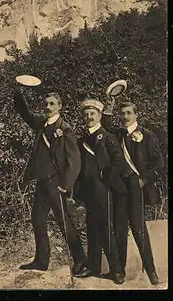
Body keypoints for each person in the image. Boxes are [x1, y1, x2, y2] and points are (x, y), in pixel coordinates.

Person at [13, 86, 87, 275]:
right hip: (41, 182)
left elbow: (75, 161)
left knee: (64, 222)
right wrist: (18, 94)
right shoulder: (41, 123)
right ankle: (41, 261)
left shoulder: (65, 129)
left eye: (52, 104)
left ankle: (80, 260)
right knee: (37, 219)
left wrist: (66, 185)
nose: (48, 107)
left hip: (56, 182)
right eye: (46, 104)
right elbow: (25, 113)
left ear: (59, 106)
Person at [102, 97, 164, 285]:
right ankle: (119, 272)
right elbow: (104, 128)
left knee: (139, 229)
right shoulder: (117, 134)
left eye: (129, 113)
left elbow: (158, 163)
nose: (125, 116)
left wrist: (143, 180)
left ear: (137, 114)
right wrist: (109, 109)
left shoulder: (147, 135)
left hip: (136, 186)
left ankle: (151, 271)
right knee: (119, 229)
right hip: (120, 187)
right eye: (122, 113)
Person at [74, 98, 127, 284]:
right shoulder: (81, 140)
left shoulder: (107, 137)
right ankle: (93, 266)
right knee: (92, 228)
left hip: (103, 188)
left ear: (99, 116)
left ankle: (117, 271)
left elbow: (119, 161)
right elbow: (79, 168)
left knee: (105, 228)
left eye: (93, 114)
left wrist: (107, 178)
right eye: (86, 114)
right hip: (88, 190)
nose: (89, 117)